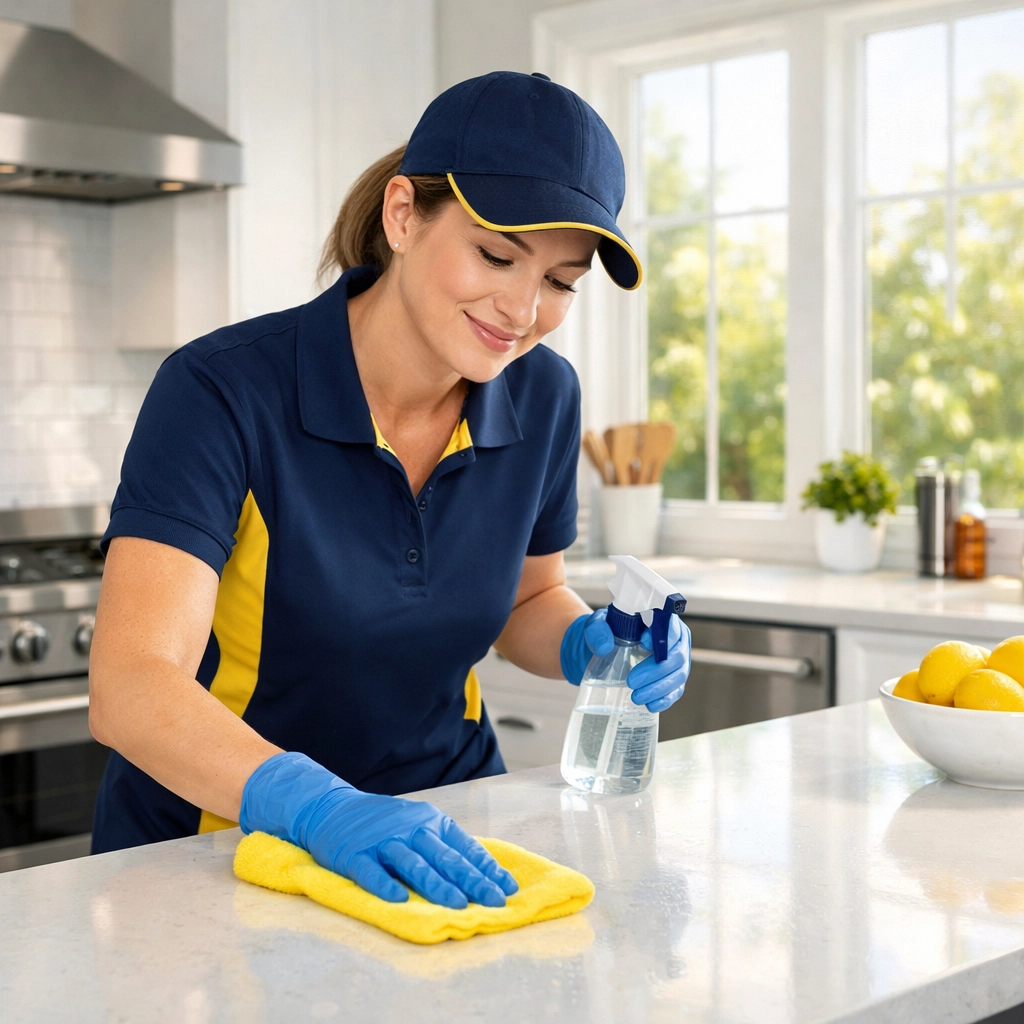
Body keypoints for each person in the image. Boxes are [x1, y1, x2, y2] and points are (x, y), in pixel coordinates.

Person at [88, 71, 692, 909]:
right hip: (221, 849)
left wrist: (589, 643)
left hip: (445, 831)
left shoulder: (544, 397)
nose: (523, 309)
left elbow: (528, 598)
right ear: (403, 215)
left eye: (560, 282)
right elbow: (130, 685)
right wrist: (316, 804)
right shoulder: (223, 392)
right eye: (496, 254)